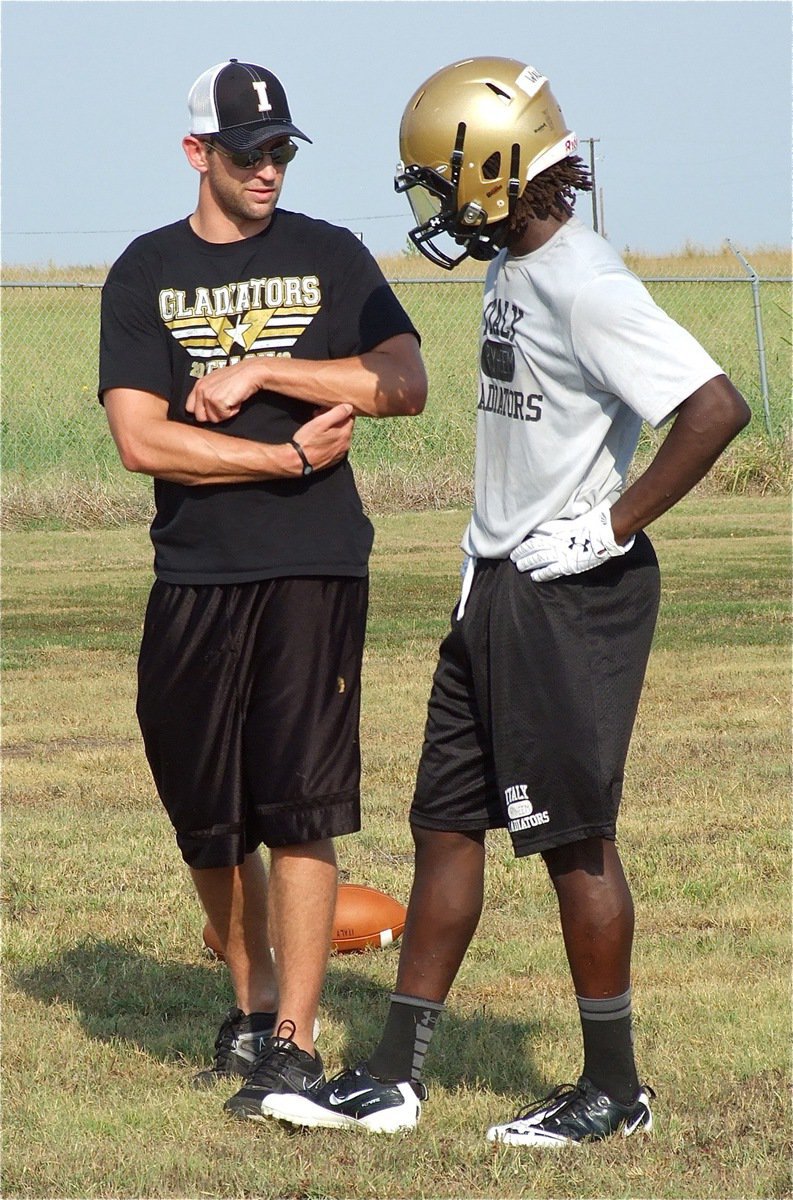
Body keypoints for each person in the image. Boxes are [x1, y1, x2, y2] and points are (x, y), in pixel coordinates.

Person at [256, 57, 751, 1142]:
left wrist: (609, 526)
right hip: (495, 586)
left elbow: (715, 405)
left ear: (493, 167)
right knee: (444, 825)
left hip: (566, 594)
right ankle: (395, 1072)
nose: (435, 205)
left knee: (574, 839)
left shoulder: (584, 278)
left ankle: (614, 1093)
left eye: (441, 181)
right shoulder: (513, 266)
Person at [98, 58, 427, 1121]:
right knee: (207, 813)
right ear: (198, 153)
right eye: (249, 153)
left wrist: (266, 373)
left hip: (313, 567)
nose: (269, 170)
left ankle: (293, 1040)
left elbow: (401, 384)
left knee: (298, 803)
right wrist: (279, 461)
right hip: (194, 572)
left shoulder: (331, 255)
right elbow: (141, 440)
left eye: (281, 150)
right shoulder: (144, 270)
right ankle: (245, 1017)